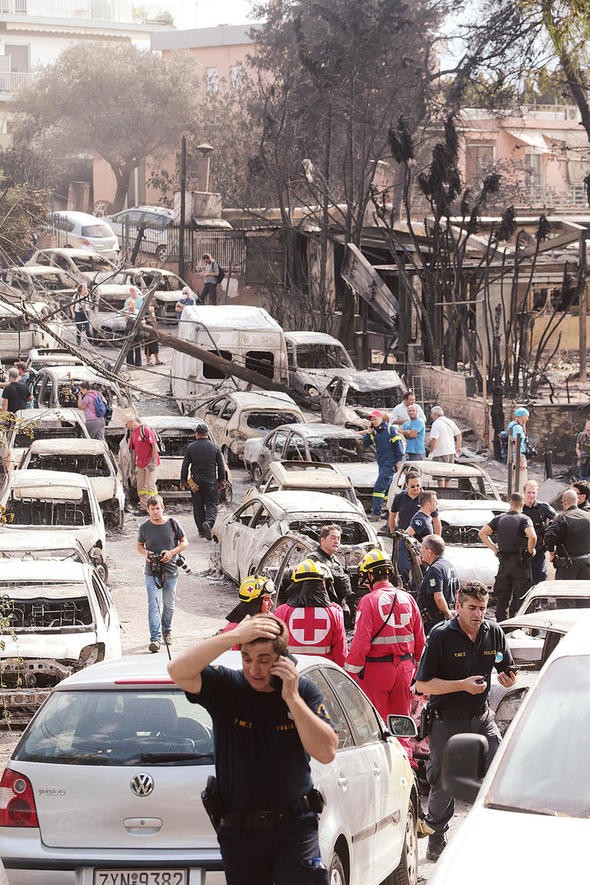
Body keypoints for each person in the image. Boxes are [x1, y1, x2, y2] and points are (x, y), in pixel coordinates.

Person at [167, 613, 338, 885]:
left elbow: (326, 751)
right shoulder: (228, 687)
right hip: (240, 831)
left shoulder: (302, 691)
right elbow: (178, 671)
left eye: (264, 660)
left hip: (294, 826)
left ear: (282, 660)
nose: (254, 670)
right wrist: (233, 637)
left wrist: (292, 700)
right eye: (247, 658)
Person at [415, 581, 517, 862]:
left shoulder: (493, 632)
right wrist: (460, 685)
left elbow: (506, 667)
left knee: (501, 769)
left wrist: (509, 677)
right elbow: (423, 685)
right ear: (457, 606)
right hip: (448, 720)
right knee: (445, 781)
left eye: (482, 608)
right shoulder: (441, 636)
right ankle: (436, 834)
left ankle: (496, 832)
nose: (477, 614)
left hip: (482, 716)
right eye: (471, 608)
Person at [344, 549, 425, 731]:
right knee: (401, 723)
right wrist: (417, 667)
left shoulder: (368, 601)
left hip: (376, 671)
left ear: (371, 574)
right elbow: (420, 639)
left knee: (376, 724)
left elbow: (360, 643)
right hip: (405, 669)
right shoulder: (408, 598)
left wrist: (350, 674)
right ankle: (406, 758)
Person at [137, 494, 188, 653]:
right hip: (151, 572)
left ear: (163, 508)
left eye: (158, 508)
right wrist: (146, 554)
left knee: (169, 605)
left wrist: (171, 553)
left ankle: (167, 630)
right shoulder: (144, 527)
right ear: (148, 510)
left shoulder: (173, 523)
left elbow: (184, 542)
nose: (156, 512)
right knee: (154, 604)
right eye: (152, 509)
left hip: (171, 571)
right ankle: (155, 638)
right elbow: (139, 546)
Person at [275, 559, 347, 667]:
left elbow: (274, 649)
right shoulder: (334, 614)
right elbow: (340, 653)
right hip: (323, 673)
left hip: (291, 672)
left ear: (295, 584)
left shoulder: (281, 611)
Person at [479, 492, 536, 622]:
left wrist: (495, 550)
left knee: (502, 599)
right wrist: (531, 551)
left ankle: (501, 626)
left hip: (504, 562)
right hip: (520, 564)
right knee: (521, 597)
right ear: (522, 504)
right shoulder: (524, 519)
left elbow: (482, 533)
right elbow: (532, 536)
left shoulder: (499, 518)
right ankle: (518, 626)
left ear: (510, 503)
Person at [389, 472, 442, 583]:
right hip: (405, 540)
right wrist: (393, 534)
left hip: (421, 542)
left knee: (421, 572)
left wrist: (437, 543)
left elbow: (437, 522)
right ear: (406, 484)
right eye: (413, 486)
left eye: (418, 485)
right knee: (402, 569)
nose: (416, 488)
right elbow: (392, 516)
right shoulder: (400, 497)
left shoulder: (425, 498)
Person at [180, 422, 226, 539]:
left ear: (197, 434)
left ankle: (201, 530)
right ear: (207, 434)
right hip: (211, 482)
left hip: (195, 483)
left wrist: (183, 480)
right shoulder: (215, 447)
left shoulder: (191, 447)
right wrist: (222, 480)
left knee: (198, 505)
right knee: (211, 504)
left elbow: (185, 465)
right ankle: (209, 522)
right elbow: (221, 466)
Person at [309, 524, 355, 626]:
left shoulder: (335, 559)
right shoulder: (313, 560)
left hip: (338, 611)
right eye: (333, 538)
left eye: (338, 538)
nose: (337, 541)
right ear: (322, 540)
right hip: (324, 613)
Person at [361, 410, 404, 520]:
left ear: (381, 418)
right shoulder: (375, 432)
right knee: (387, 489)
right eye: (372, 419)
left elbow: (399, 445)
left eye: (375, 419)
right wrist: (369, 432)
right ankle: (387, 511)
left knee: (378, 488)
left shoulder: (390, 430)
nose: (373, 421)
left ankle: (376, 514)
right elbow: (365, 443)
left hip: (389, 465)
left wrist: (399, 461)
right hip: (381, 464)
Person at [417, 534, 459, 634]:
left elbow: (439, 597)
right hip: (446, 618)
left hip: (435, 622)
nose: (420, 550)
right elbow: (457, 592)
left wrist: (448, 615)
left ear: (430, 551)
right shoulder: (449, 565)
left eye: (422, 547)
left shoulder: (435, 569)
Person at [544, 488, 590, 579]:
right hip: (587, 565)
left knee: (564, 592)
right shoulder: (588, 516)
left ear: (564, 502)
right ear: (576, 500)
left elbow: (549, 536)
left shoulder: (562, 518)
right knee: (584, 592)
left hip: (567, 567)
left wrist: (552, 553)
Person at [522, 479, 556, 584]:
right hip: (522, 550)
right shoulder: (519, 508)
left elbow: (558, 520)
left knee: (540, 577)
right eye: (529, 492)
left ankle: (541, 600)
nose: (531, 495)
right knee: (523, 579)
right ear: (524, 493)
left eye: (534, 493)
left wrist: (549, 533)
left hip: (539, 549)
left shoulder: (543, 507)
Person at [223, 574, 276, 640]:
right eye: (266, 599)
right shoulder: (233, 630)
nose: (271, 603)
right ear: (254, 603)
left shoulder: (270, 622)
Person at [125, 414, 160, 513]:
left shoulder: (145, 430)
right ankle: (144, 507)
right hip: (141, 463)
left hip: (149, 463)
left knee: (150, 486)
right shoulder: (133, 434)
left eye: (126, 424)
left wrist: (153, 462)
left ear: (131, 421)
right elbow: (134, 451)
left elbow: (154, 446)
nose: (126, 426)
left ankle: (155, 507)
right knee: (141, 487)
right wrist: (132, 467)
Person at [506, 406, 529, 493]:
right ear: (523, 416)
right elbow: (517, 444)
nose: (527, 418)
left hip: (512, 455)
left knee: (514, 480)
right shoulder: (518, 428)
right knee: (521, 481)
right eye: (526, 416)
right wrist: (521, 460)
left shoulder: (512, 424)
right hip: (518, 456)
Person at [123, 286, 144, 367]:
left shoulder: (138, 311)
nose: (131, 306)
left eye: (132, 305)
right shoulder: (128, 311)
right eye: (130, 305)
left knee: (137, 346)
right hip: (129, 329)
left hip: (137, 329)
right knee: (129, 347)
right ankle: (129, 362)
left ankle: (138, 363)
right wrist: (128, 313)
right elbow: (125, 317)